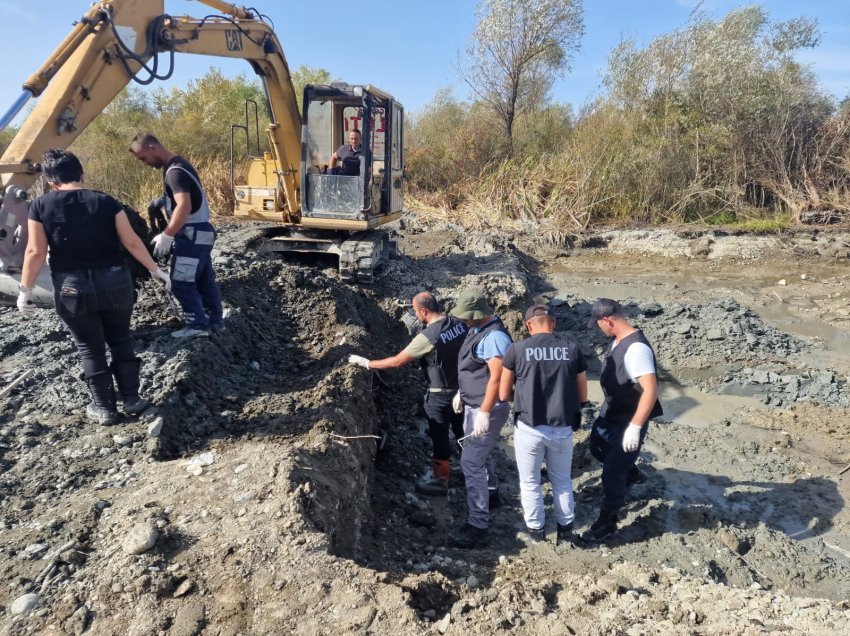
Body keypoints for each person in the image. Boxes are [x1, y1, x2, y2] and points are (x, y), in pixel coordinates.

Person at [16, 149, 171, 425]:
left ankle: (105, 409)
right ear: (81, 174)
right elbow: (132, 242)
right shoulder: (106, 202)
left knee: (90, 347)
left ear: (51, 182)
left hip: (72, 289)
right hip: (115, 283)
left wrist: (25, 291)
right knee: (121, 339)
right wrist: (155, 270)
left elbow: (35, 252)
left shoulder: (40, 206)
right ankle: (132, 399)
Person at [348, 292, 467, 496]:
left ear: (423, 311)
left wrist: (367, 363)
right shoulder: (458, 324)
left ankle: (441, 481)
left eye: (414, 310)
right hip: (463, 391)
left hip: (440, 394)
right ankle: (471, 470)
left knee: (439, 437)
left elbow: (396, 362)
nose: (414, 314)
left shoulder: (428, 337)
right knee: (462, 432)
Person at [499, 304, 588, 545]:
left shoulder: (516, 349)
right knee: (562, 480)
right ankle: (566, 530)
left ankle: (536, 532)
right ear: (554, 323)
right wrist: (578, 409)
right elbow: (582, 390)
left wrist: (517, 398)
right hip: (561, 428)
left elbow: (503, 391)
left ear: (528, 325)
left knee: (530, 482)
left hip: (529, 426)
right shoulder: (571, 349)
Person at [582, 298, 663, 543]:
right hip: (612, 413)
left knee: (611, 473)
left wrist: (635, 428)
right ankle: (632, 472)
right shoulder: (617, 340)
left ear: (607, 320)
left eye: (598, 324)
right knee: (596, 447)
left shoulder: (636, 349)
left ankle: (607, 521)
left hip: (628, 420)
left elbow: (650, 390)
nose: (598, 329)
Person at [129, 133, 223, 338]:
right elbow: (185, 200)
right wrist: (161, 203)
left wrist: (167, 235)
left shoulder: (174, 172)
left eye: (143, 158)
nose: (144, 163)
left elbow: (185, 205)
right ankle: (215, 320)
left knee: (180, 282)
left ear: (153, 147)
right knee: (204, 280)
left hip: (190, 234)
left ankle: (198, 325)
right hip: (203, 232)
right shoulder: (180, 165)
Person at [447, 289, 513, 549]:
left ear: (478, 314)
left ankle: (478, 525)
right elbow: (475, 370)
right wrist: (461, 394)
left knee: (471, 463)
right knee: (482, 454)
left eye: (466, 317)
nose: (463, 321)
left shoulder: (495, 337)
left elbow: (497, 378)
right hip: (474, 403)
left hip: (489, 408)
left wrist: (485, 411)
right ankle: (492, 494)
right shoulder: (477, 330)